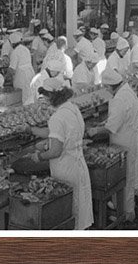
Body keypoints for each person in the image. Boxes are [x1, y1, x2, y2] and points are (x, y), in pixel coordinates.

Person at [30, 77, 93, 229]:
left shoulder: (57, 117)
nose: (44, 99)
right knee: (80, 203)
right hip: (77, 162)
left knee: (67, 208)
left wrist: (39, 156)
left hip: (65, 168)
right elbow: (61, 134)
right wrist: (34, 132)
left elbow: (56, 151)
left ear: (52, 96)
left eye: (45, 95)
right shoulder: (72, 108)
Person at [87, 68, 138, 224]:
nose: (106, 90)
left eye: (107, 87)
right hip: (130, 136)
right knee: (129, 173)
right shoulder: (127, 90)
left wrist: (95, 130)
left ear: (112, 85)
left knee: (124, 177)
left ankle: (126, 212)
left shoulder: (120, 99)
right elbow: (117, 118)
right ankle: (125, 208)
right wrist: (105, 122)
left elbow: (111, 127)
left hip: (124, 140)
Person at [9, 31, 36, 104]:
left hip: (22, 76)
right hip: (30, 73)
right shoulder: (25, 49)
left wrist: (6, 78)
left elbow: (12, 69)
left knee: (25, 97)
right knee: (30, 94)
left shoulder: (15, 52)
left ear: (12, 43)